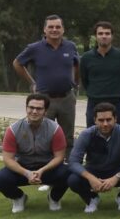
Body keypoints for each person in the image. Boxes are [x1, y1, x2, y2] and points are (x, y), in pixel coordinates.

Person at [13, 14, 79, 159]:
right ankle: (44, 165)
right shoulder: (35, 48)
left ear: (63, 29)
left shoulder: (70, 46)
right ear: (45, 30)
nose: (54, 30)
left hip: (66, 98)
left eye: (58, 27)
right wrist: (32, 82)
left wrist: (75, 82)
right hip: (44, 99)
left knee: (67, 136)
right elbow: (17, 63)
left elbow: (77, 64)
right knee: (43, 134)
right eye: (51, 27)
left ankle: (67, 165)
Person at [0, 93, 69, 213]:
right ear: (26, 108)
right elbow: (8, 159)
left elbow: (59, 157)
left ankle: (54, 198)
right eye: (31, 107)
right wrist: (27, 173)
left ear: (45, 111)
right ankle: (19, 198)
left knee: (68, 173)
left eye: (39, 109)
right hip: (23, 168)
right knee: (1, 178)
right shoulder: (13, 130)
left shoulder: (55, 129)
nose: (34, 111)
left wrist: (42, 171)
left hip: (47, 169)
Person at [67, 102, 120, 213]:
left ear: (115, 119)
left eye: (108, 119)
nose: (105, 124)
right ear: (95, 120)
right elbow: (73, 161)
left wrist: (116, 177)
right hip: (94, 171)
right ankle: (91, 199)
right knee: (73, 180)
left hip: (118, 171)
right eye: (101, 120)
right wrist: (90, 178)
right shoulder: (86, 134)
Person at [79, 21, 120, 127]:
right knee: (93, 138)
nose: (104, 36)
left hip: (117, 103)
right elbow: (85, 80)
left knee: (119, 138)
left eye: (107, 33)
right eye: (100, 33)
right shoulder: (86, 58)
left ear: (112, 36)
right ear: (95, 36)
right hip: (94, 103)